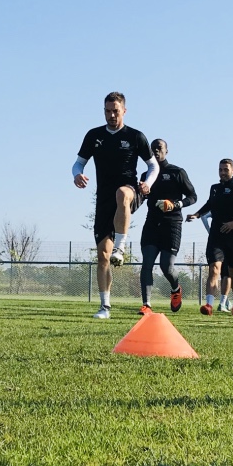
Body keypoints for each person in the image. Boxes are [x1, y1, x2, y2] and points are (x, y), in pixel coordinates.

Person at [73, 92, 158, 318]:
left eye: (116, 111)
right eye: (108, 111)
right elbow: (78, 163)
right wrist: (77, 174)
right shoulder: (94, 135)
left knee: (122, 193)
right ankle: (105, 307)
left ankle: (121, 247)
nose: (112, 115)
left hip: (130, 191)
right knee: (103, 257)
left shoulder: (135, 136)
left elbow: (153, 166)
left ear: (124, 111)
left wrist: (147, 184)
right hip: (104, 200)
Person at [187, 159, 233, 316]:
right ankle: (209, 305)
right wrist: (196, 214)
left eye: (226, 169)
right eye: (220, 170)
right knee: (214, 268)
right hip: (216, 235)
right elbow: (209, 204)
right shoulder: (214, 188)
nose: (222, 172)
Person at [138, 139, 197, 314]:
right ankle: (147, 304)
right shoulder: (146, 175)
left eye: (159, 148)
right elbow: (140, 199)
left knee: (166, 266)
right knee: (147, 263)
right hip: (152, 223)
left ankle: (175, 288)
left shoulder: (177, 172)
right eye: (153, 149)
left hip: (172, 224)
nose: (156, 151)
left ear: (166, 151)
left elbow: (193, 196)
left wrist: (175, 204)